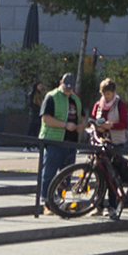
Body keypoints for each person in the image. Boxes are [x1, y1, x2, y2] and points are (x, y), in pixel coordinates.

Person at [37, 72, 82, 216]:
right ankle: (47, 204)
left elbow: (82, 116)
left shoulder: (76, 99)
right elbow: (45, 118)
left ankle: (59, 201)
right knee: (49, 173)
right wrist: (64, 125)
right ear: (60, 83)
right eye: (66, 87)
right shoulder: (52, 96)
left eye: (71, 88)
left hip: (71, 143)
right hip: (54, 141)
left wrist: (81, 126)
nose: (68, 90)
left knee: (66, 175)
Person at [90, 77, 128, 146]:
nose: (105, 96)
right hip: (99, 141)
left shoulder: (120, 105)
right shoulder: (98, 105)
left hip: (116, 142)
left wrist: (111, 125)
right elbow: (92, 121)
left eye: (108, 93)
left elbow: (124, 124)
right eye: (103, 93)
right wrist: (97, 127)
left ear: (113, 92)